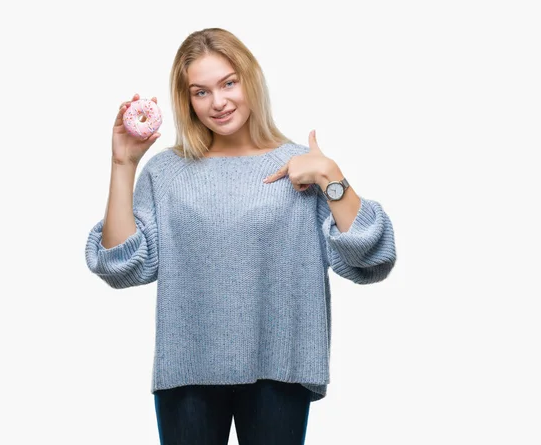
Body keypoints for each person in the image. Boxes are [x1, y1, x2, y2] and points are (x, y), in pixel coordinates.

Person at [85, 27, 397, 445]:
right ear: (187, 100)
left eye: (228, 83)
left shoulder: (301, 166)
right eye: (201, 91)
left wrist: (330, 175)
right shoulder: (166, 172)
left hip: (280, 367)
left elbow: (372, 259)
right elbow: (121, 266)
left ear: (250, 79)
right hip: (188, 370)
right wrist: (123, 164)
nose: (218, 102)